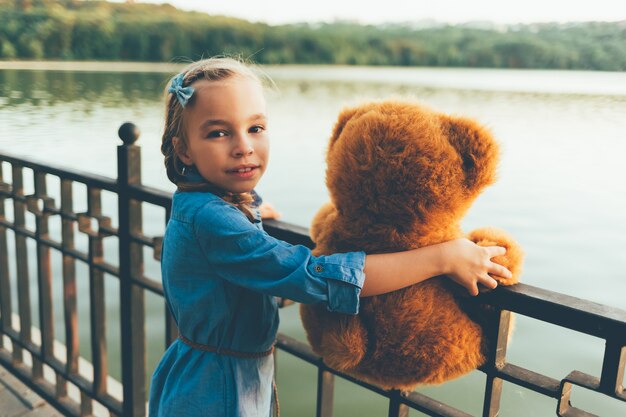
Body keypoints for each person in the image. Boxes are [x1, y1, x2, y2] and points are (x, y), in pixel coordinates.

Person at [148, 57, 512, 417]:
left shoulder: (215, 207)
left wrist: (251, 218)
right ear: (183, 149)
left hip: (223, 372)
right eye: (218, 133)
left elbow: (235, 270)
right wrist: (441, 258)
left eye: (255, 128)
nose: (243, 146)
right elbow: (310, 276)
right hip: (214, 391)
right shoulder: (212, 219)